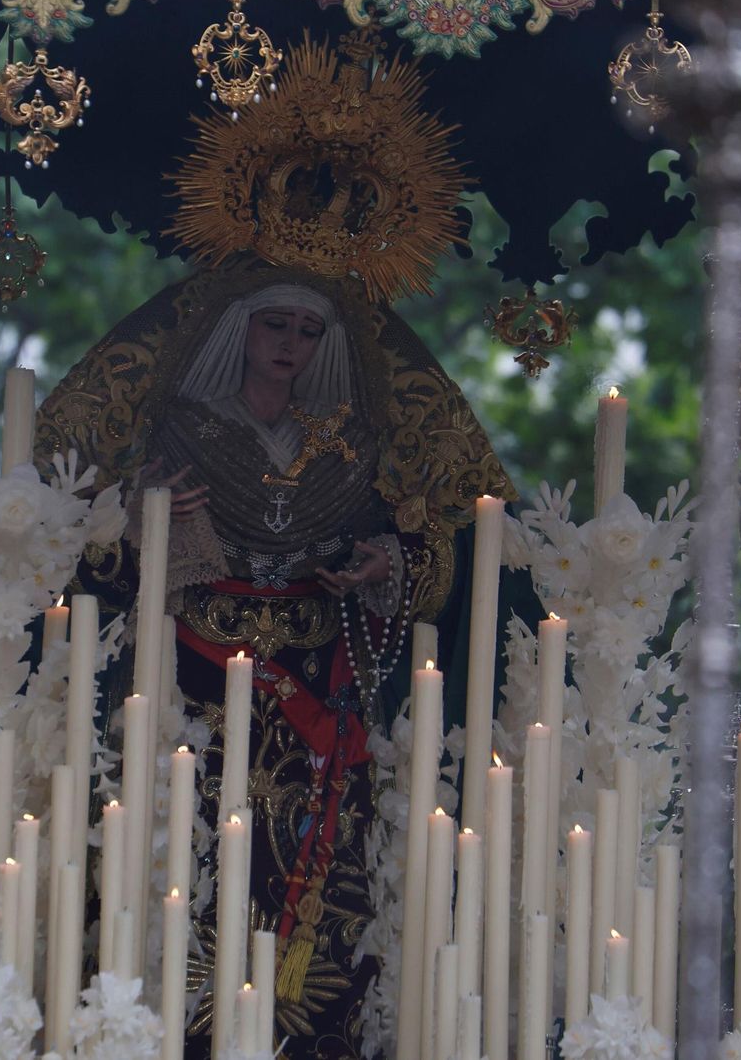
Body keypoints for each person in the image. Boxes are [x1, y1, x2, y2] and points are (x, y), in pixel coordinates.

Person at [40, 260, 518, 1058]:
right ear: (240, 328)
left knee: (320, 855)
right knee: (190, 851)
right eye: (276, 324)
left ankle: (312, 1033)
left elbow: (425, 555)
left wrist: (378, 567)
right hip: (194, 685)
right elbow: (104, 566)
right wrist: (144, 514)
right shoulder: (181, 434)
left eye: (308, 330)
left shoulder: (346, 446)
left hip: (316, 688)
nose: (290, 344)